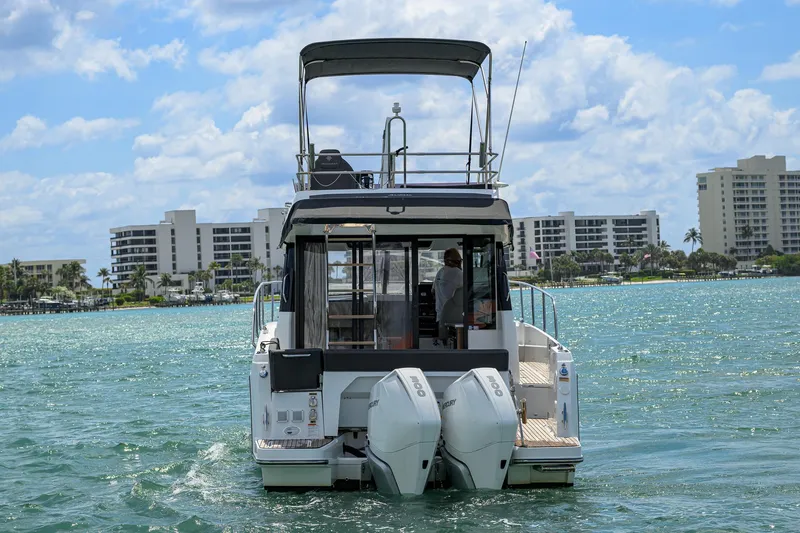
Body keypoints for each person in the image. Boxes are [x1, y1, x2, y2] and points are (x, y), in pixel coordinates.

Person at [433, 248, 463, 325]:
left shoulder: (440, 272)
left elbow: (433, 291)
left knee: (443, 335)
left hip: (441, 315)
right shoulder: (459, 273)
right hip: (456, 316)